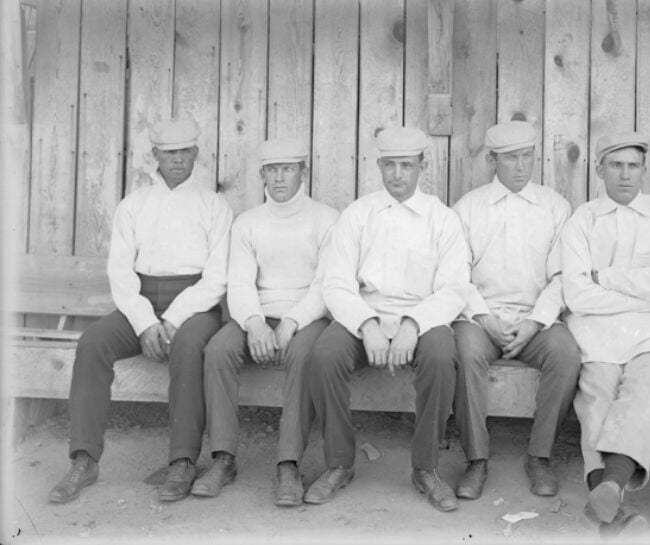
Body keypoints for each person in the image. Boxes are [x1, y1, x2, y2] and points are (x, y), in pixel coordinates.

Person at [48, 117, 232, 504]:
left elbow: (217, 278)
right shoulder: (133, 205)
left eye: (185, 151)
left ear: (196, 154)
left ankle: (181, 460)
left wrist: (172, 319)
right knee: (93, 342)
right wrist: (147, 322)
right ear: (156, 157)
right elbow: (120, 270)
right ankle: (84, 457)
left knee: (185, 346)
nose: (178, 160)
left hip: (195, 306)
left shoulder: (214, 205)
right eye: (169, 153)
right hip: (142, 304)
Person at [305, 126, 471, 512]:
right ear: (378, 165)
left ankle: (426, 467)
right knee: (325, 355)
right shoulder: (358, 214)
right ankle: (339, 462)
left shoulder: (441, 218)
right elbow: (336, 283)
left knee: (442, 357)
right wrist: (367, 325)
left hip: (424, 317)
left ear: (422, 166)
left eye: (407, 165)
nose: (398, 174)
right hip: (365, 315)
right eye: (390, 165)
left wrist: (414, 324)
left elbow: (453, 288)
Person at [560, 132, 650, 537]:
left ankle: (607, 489)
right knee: (597, 393)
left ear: (644, 170)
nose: (625, 174)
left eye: (633, 166)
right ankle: (610, 498)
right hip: (595, 331)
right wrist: (641, 295)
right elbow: (577, 293)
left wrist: (610, 280)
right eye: (616, 165)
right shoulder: (583, 219)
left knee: (645, 390)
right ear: (599, 170)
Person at [195, 138, 339, 505]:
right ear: (262, 174)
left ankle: (287, 465)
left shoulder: (326, 219)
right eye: (272, 170)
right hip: (258, 314)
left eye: (288, 169)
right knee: (217, 350)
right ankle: (223, 458)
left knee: (303, 356)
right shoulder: (248, 223)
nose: (279, 178)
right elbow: (240, 282)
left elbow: (326, 285)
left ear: (303, 172)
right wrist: (255, 323)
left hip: (307, 317)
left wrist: (291, 322)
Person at [450, 121, 580, 501]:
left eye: (528, 157)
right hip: (481, 316)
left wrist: (535, 322)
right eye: (511, 159)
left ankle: (539, 456)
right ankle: (476, 458)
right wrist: (485, 319)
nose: (521, 166)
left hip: (535, 318)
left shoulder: (555, 207)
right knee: (466, 352)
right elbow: (456, 275)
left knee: (566, 354)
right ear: (493, 160)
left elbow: (562, 276)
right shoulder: (469, 208)